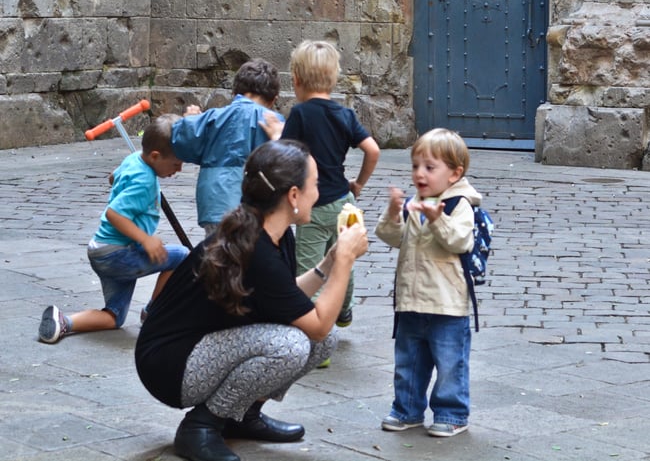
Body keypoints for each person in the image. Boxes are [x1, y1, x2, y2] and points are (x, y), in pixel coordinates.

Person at [135, 139, 368, 461]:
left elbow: (286, 300)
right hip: (169, 365)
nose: (320, 191)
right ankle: (199, 427)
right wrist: (344, 262)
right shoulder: (257, 247)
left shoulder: (272, 230)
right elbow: (315, 325)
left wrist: (327, 265)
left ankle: (242, 415)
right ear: (294, 196)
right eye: (315, 184)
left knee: (324, 340)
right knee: (291, 344)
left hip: (200, 348)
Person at [38, 114, 189, 344]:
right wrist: (145, 239)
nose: (179, 169)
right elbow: (114, 214)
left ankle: (63, 321)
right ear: (156, 156)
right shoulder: (144, 180)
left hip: (102, 251)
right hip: (118, 254)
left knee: (114, 317)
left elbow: (113, 177)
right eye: (176, 164)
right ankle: (153, 313)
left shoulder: (134, 159)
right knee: (182, 257)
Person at [375, 128, 481, 438]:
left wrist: (437, 219)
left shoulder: (460, 204)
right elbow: (393, 237)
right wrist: (394, 212)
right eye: (415, 166)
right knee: (408, 361)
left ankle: (452, 413)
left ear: (454, 173)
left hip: (448, 303)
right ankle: (407, 409)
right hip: (411, 299)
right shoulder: (415, 202)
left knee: (450, 363)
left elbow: (459, 241)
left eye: (429, 167)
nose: (419, 174)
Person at [279, 40, 379, 334]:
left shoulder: (299, 114)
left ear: (296, 79)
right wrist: (358, 183)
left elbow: (284, 155)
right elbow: (372, 150)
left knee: (311, 268)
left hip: (312, 205)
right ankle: (344, 309)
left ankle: (316, 338)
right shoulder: (344, 114)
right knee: (343, 259)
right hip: (343, 202)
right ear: (333, 78)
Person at [171, 58, 284, 236]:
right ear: (273, 99)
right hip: (255, 206)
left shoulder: (213, 117)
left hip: (214, 204)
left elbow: (182, 143)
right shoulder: (272, 120)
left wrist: (189, 120)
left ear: (234, 92)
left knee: (217, 253)